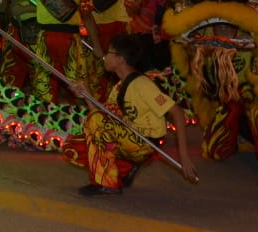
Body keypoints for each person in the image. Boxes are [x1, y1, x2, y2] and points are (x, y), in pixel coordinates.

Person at [62, 33, 198, 196]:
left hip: (144, 141)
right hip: (129, 135)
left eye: (109, 52)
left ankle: (107, 183)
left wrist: (183, 156)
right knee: (75, 146)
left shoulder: (142, 85)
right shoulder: (119, 87)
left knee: (95, 123)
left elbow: (176, 111)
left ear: (120, 59)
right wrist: (87, 95)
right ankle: (124, 168)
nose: (105, 56)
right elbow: (104, 120)